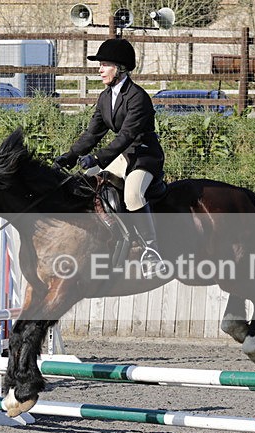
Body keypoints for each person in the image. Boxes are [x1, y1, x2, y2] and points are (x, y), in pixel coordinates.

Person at [54, 38, 165, 278]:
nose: (100, 69)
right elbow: (93, 132)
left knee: (133, 194)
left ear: (121, 68)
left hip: (144, 155)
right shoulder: (106, 97)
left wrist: (97, 158)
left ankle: (151, 251)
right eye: (100, 64)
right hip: (124, 155)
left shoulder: (138, 97)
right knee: (85, 182)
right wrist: (71, 156)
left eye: (105, 64)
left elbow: (126, 136)